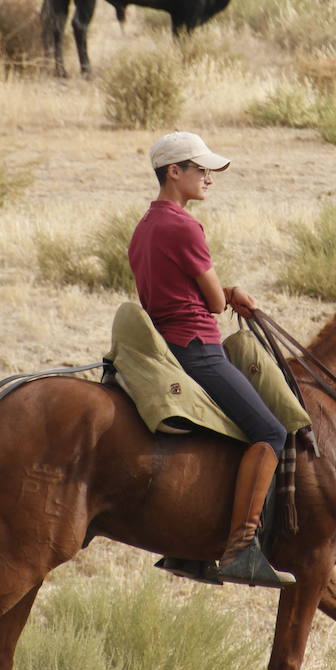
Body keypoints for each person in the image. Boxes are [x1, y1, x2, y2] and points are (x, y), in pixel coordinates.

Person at [128, 131, 295, 589]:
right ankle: (242, 548)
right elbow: (214, 302)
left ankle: (189, 549)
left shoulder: (144, 227)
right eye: (200, 169)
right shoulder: (184, 226)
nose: (208, 178)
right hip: (199, 350)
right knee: (270, 431)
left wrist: (225, 293)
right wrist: (232, 294)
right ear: (173, 172)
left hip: (166, 348)